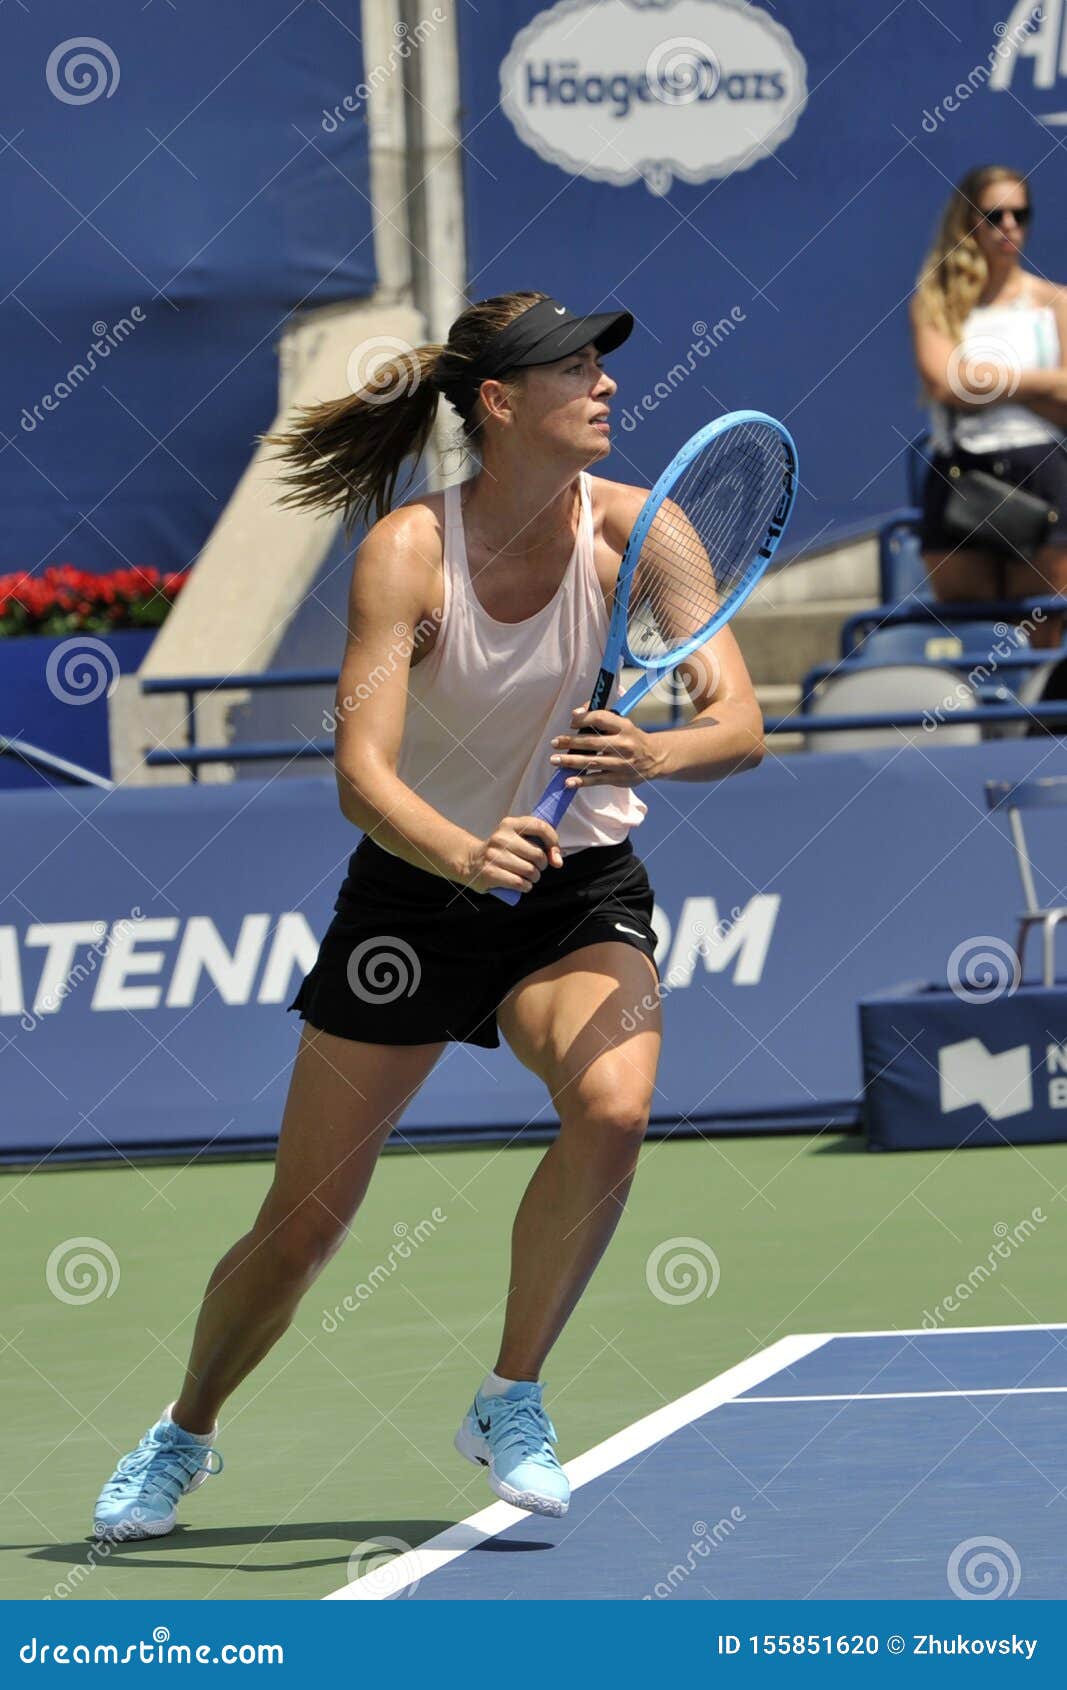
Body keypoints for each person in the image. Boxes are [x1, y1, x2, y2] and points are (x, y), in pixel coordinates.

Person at [92, 291, 764, 1540]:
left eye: (603, 363)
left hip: (577, 892)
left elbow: (738, 722)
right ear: (498, 403)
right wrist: (465, 851)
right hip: (415, 898)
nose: (604, 384)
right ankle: (182, 1433)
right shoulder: (408, 551)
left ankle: (510, 1397)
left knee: (613, 1108)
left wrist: (652, 755)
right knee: (302, 1225)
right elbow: (362, 773)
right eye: (572, 369)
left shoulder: (646, 530)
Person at [911, 164, 1067, 638]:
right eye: (994, 215)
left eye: (1020, 214)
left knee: (1042, 626)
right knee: (971, 633)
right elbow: (943, 385)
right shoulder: (936, 301)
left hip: (1044, 472)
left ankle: (1036, 718)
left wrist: (983, 382)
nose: (1009, 227)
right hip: (961, 474)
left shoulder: (1054, 300)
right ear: (968, 221)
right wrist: (1041, 386)